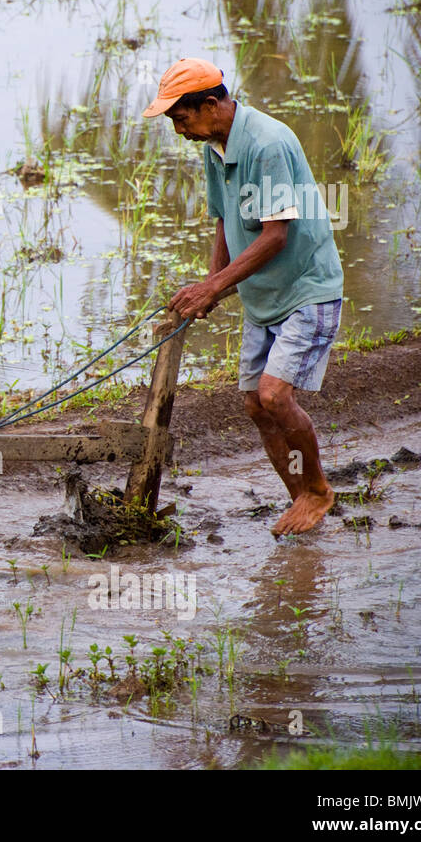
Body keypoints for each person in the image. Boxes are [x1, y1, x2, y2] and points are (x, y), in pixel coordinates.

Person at [142, 58, 345, 536]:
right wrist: (212, 286)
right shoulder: (216, 146)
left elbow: (275, 235)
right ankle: (301, 500)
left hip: (305, 289)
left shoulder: (268, 143)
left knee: (275, 396)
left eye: (181, 118)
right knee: (255, 404)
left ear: (210, 104)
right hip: (262, 295)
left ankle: (317, 490)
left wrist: (214, 286)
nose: (178, 130)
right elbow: (223, 220)